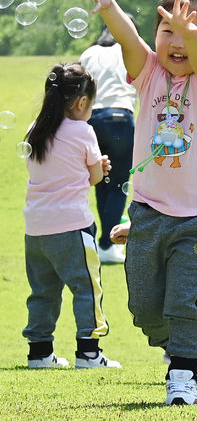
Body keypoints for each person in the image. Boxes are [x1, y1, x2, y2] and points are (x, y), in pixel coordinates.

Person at [76, 0, 197, 406]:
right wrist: (108, 5)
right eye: (167, 29)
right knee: (143, 306)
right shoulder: (150, 74)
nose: (176, 41)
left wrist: (188, 31)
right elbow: (128, 39)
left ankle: (184, 372)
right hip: (148, 210)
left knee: (184, 300)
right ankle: (179, 344)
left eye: (190, 30)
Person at [22, 63, 120, 370]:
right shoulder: (83, 130)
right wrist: (99, 168)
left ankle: (39, 352)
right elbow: (92, 178)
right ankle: (89, 353)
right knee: (87, 287)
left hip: (36, 228)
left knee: (42, 292)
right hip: (72, 225)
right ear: (81, 103)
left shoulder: (34, 128)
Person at [80, 21, 138, 263]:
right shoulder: (130, 49)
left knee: (101, 179)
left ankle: (104, 242)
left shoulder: (89, 53)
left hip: (93, 119)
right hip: (123, 118)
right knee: (118, 184)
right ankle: (109, 243)